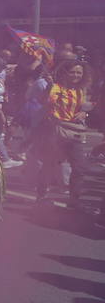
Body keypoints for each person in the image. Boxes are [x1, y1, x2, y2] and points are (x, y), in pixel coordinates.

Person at [33, 60, 95, 207]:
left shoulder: (81, 90)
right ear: (65, 73)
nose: (76, 75)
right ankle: (41, 195)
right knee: (49, 165)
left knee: (80, 167)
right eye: (72, 72)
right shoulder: (56, 87)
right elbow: (47, 101)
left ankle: (74, 200)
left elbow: (87, 107)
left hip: (75, 132)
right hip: (56, 132)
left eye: (79, 72)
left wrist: (84, 113)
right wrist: (50, 87)